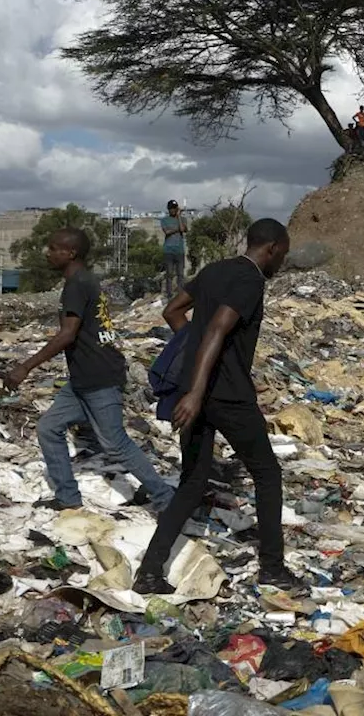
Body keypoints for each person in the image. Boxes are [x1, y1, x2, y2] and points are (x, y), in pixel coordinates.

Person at [132, 219, 298, 595]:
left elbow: (173, 311)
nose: (281, 263)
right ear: (271, 248)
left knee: (192, 482)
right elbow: (217, 330)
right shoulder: (250, 280)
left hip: (198, 392)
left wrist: (192, 368)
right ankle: (273, 568)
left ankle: (149, 572)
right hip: (226, 395)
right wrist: (197, 391)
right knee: (267, 474)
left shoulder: (214, 270)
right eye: (282, 255)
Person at [3, 228, 175, 512]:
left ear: (70, 253)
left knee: (115, 443)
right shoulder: (83, 280)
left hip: (99, 376)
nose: (48, 252)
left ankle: (166, 500)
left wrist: (25, 367)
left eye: (53, 247)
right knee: (49, 428)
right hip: (83, 378)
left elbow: (67, 334)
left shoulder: (77, 284)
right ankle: (68, 498)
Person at [160, 200, 188, 300]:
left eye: (175, 208)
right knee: (169, 274)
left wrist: (179, 216)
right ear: (168, 209)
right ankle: (169, 295)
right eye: (171, 208)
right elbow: (167, 232)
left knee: (180, 274)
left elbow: (183, 229)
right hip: (168, 251)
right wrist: (177, 229)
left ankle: (180, 294)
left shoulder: (183, 219)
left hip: (179, 251)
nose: (173, 210)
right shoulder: (164, 220)